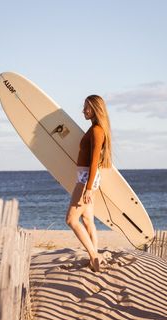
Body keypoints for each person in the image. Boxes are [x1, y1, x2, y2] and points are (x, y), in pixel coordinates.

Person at [66, 95, 112, 272]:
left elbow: (94, 161)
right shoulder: (94, 128)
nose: (83, 110)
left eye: (86, 107)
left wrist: (88, 188)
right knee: (87, 220)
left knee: (71, 219)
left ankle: (94, 257)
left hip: (86, 178)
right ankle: (95, 259)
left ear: (95, 109)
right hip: (86, 176)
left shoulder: (97, 130)